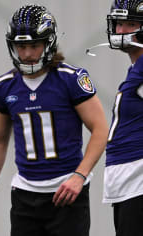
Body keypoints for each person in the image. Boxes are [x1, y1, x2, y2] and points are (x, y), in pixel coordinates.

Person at [0, 5, 109, 236]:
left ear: (49, 43)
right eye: (21, 46)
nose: (26, 54)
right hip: (25, 194)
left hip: (67, 193)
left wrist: (79, 175)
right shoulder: (4, 84)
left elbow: (100, 129)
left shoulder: (71, 79)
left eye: (34, 46)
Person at [100, 1, 143, 235]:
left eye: (131, 24)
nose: (121, 31)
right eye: (119, 24)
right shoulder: (136, 68)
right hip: (127, 183)